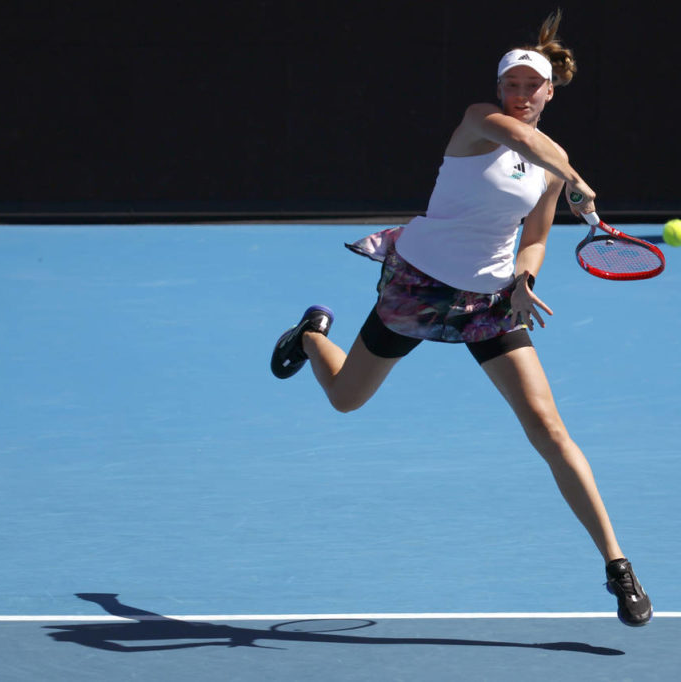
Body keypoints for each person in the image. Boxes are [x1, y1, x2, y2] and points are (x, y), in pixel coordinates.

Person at [270, 11, 652, 627]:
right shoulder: (480, 122)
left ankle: (617, 565)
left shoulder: (551, 167)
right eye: (512, 85)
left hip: (491, 301)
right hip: (418, 284)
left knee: (549, 430)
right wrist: (576, 177)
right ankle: (313, 335)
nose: (521, 95)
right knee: (345, 399)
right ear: (499, 89)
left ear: (551, 92)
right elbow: (534, 146)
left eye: (532, 86)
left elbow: (535, 236)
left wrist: (525, 281)